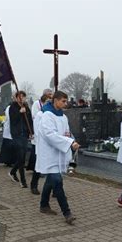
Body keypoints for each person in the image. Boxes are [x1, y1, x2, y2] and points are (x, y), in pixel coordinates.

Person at [35, 90, 79, 225]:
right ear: (55, 100)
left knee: (51, 180)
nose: (65, 104)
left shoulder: (63, 117)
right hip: (49, 153)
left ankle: (43, 205)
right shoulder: (46, 115)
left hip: (59, 153)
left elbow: (67, 133)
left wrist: (72, 141)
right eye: (63, 101)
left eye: (66, 101)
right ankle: (67, 213)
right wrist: (68, 142)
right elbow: (49, 135)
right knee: (57, 181)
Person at [28, 89, 53, 195]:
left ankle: (55, 189)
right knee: (38, 164)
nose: (50, 97)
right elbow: (36, 122)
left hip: (50, 141)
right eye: (48, 96)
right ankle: (34, 185)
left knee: (53, 166)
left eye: (51, 96)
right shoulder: (37, 106)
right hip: (39, 140)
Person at [9, 91, 33, 188]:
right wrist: (19, 113)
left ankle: (12, 171)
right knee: (21, 156)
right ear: (16, 98)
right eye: (19, 96)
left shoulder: (26, 107)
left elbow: (30, 120)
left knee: (22, 157)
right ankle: (23, 181)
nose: (21, 98)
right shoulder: (13, 107)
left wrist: (31, 132)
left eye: (23, 96)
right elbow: (13, 120)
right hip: (17, 134)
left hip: (25, 134)